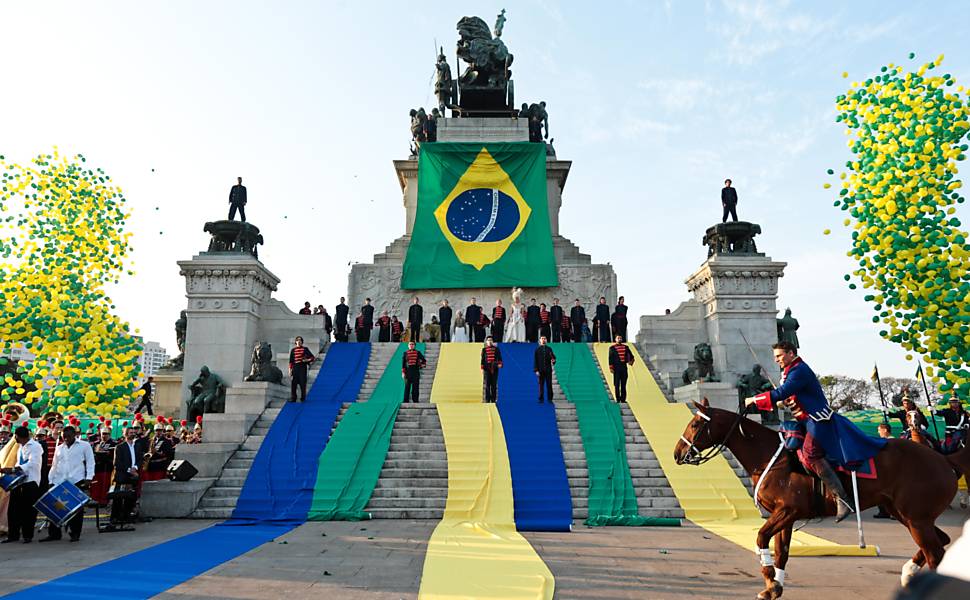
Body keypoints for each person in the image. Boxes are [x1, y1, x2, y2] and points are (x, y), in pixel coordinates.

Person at [744, 341, 887, 523]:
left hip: (817, 420)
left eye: (779, 356)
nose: (776, 360)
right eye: (775, 356)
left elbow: (784, 391)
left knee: (810, 454)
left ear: (791, 353)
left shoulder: (799, 370)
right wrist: (785, 402)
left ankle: (842, 498)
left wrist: (755, 399)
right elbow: (793, 395)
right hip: (804, 421)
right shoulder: (790, 370)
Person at [40, 425, 95, 542]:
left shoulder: (84, 446)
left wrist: (89, 477)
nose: (65, 439)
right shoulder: (59, 448)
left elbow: (90, 462)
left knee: (76, 510)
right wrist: (51, 480)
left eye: (68, 436)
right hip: (59, 480)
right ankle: (54, 534)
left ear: (74, 435)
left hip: (76, 480)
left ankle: (75, 533)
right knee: (55, 508)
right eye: (63, 436)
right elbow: (55, 465)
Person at [1, 427, 42, 543]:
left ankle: (27, 535)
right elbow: (20, 462)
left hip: (31, 481)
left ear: (18, 436)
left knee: (28, 510)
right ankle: (13, 535)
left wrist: (13, 469)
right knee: (13, 509)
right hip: (19, 480)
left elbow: (33, 463)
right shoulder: (20, 447)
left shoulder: (36, 446)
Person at [110, 426, 145, 526]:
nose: (133, 434)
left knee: (131, 498)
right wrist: (130, 470)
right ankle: (115, 518)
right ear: (125, 434)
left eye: (134, 432)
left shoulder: (137, 446)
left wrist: (135, 468)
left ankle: (125, 517)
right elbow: (117, 463)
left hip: (133, 475)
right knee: (118, 499)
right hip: (122, 476)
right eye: (130, 432)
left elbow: (140, 459)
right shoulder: (120, 447)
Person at [608, 335, 635, 403]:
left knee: (623, 384)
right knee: (616, 384)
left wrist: (631, 361)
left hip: (623, 367)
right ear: (615, 339)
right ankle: (618, 399)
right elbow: (610, 358)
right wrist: (611, 367)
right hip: (616, 368)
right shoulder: (612, 348)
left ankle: (623, 399)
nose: (619, 339)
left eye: (620, 338)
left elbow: (631, 356)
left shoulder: (626, 347)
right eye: (618, 338)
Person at [288, 336, 316, 402]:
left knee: (302, 383)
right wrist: (290, 370)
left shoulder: (305, 349)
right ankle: (293, 397)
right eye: (297, 340)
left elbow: (312, 358)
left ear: (302, 342)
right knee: (294, 383)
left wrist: (307, 360)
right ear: (295, 342)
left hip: (302, 367)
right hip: (295, 367)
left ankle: (303, 398)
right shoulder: (293, 350)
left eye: (300, 340)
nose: (299, 341)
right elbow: (291, 361)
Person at [534, 335, 556, 404]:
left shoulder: (549, 349)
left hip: (548, 370)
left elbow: (553, 358)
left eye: (545, 339)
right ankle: (541, 398)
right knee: (541, 385)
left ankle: (550, 399)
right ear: (540, 340)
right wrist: (536, 370)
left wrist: (553, 360)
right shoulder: (537, 350)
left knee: (549, 384)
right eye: (542, 339)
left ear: (546, 340)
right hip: (540, 370)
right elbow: (535, 361)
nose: (543, 340)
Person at [481, 337, 503, 403]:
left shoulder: (496, 349)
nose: (490, 341)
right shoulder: (484, 350)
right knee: (487, 384)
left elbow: (499, 358)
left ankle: (493, 399)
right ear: (486, 342)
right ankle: (487, 399)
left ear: (492, 341)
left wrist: (500, 364)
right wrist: (482, 368)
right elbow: (482, 360)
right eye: (488, 340)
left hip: (494, 368)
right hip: (487, 369)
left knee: (494, 384)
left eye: (491, 340)